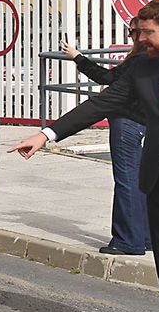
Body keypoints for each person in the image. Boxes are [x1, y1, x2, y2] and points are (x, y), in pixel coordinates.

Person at [11, 0, 159, 312]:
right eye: (139, 31)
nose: (140, 38)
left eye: (148, 31)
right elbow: (100, 104)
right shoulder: (142, 69)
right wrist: (47, 134)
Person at [61, 28, 149, 255]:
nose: (133, 37)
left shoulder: (139, 60)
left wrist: (77, 57)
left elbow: (106, 79)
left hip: (126, 122)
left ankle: (128, 241)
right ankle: (145, 237)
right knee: (140, 182)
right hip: (143, 123)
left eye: (134, 32)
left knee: (127, 181)